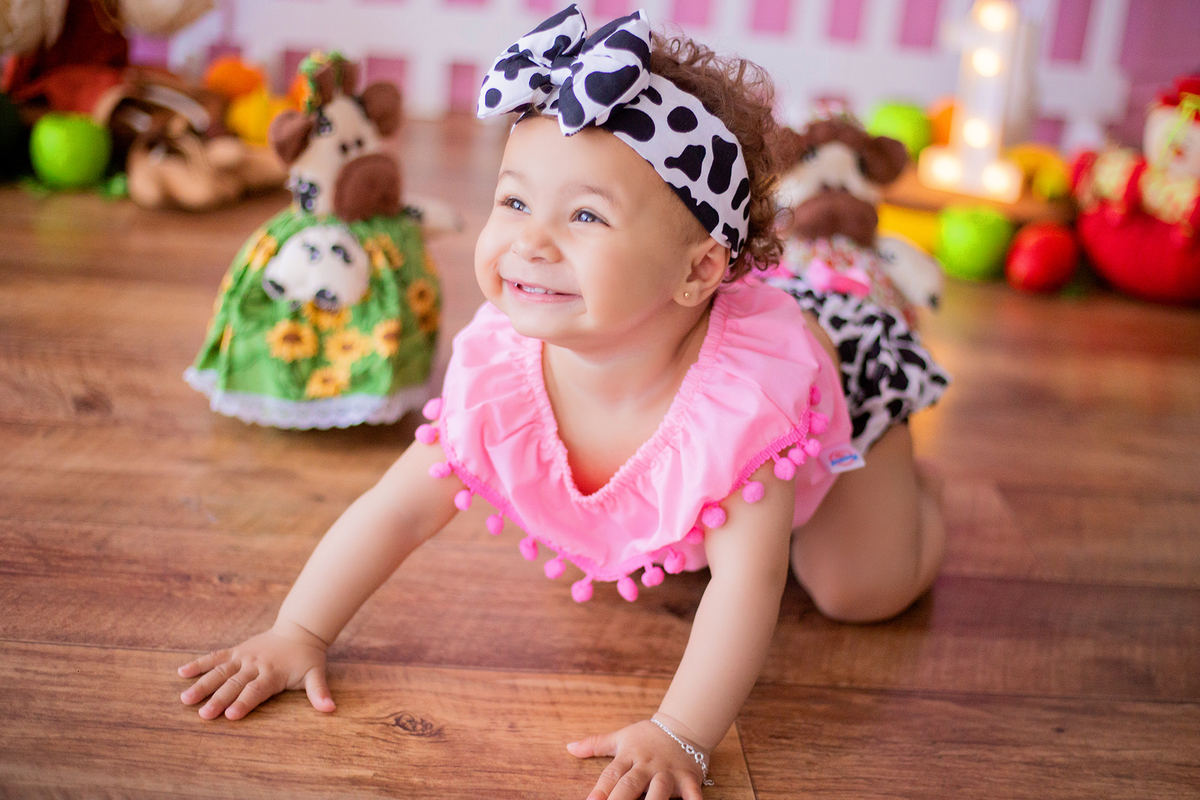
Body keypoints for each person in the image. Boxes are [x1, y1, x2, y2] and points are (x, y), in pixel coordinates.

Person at [177, 7, 949, 799]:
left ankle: (915, 490)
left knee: (860, 589)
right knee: (664, 543)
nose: (530, 242)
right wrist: (297, 631)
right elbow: (397, 509)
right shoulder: (502, 373)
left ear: (697, 271)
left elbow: (745, 588)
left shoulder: (747, 402)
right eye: (513, 202)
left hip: (843, 386)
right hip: (683, 382)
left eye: (585, 216)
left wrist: (680, 732)